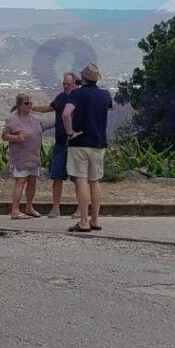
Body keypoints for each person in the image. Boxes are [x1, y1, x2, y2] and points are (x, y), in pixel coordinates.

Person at [61, 63, 113, 233]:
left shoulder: (77, 94)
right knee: (95, 181)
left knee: (81, 180)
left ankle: (83, 221)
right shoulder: (105, 95)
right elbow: (110, 107)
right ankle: (95, 219)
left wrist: (70, 133)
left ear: (82, 78)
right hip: (98, 143)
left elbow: (66, 113)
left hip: (79, 142)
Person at [32, 71, 78, 217]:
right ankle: (55, 208)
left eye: (67, 84)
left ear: (75, 84)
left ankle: (81, 209)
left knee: (78, 178)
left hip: (75, 143)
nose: (65, 86)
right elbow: (49, 108)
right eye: (63, 83)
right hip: (60, 143)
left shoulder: (80, 98)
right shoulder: (61, 97)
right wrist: (32, 108)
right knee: (57, 176)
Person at [2, 93, 54, 220]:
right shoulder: (12, 119)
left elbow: (45, 127)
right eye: (26, 103)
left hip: (33, 156)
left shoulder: (36, 119)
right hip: (20, 157)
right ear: (19, 105)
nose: (30, 105)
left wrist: (61, 120)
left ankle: (29, 207)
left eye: (31, 103)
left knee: (32, 181)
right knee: (20, 181)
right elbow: (4, 135)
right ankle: (15, 210)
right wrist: (17, 138)